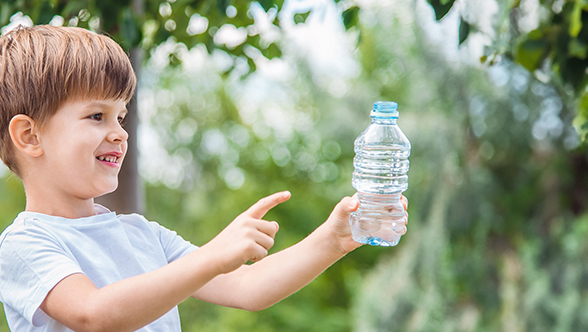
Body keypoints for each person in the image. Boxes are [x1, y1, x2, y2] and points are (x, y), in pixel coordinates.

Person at [0, 25, 408, 332]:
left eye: (121, 116)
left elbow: (248, 288)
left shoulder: (144, 234)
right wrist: (212, 256)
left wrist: (334, 238)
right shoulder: (25, 243)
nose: (120, 132)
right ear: (30, 136)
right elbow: (93, 313)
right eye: (96, 116)